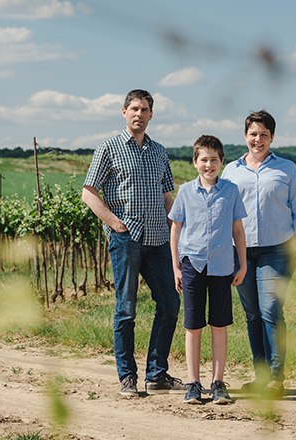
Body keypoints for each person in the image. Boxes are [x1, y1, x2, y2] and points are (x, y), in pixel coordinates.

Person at [82, 89, 185, 397]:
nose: (139, 114)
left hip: (158, 239)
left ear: (151, 115)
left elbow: (168, 196)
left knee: (170, 304)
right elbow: (89, 192)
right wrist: (115, 224)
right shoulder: (109, 148)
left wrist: (180, 228)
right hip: (126, 240)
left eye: (145, 109)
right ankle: (127, 377)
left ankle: (157, 374)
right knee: (126, 310)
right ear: (124, 112)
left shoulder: (159, 152)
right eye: (134, 108)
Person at [220, 110, 296, 399]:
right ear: (245, 136)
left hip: (276, 250)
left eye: (263, 134)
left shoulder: (287, 169)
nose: (257, 139)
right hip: (241, 252)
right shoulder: (231, 170)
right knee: (252, 315)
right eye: (253, 133)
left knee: (271, 309)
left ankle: (276, 377)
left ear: (272, 137)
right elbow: (222, 213)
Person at [168, 135, 247, 405]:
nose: (209, 165)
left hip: (222, 265)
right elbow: (176, 229)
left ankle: (218, 382)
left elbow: (238, 229)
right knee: (193, 325)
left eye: (214, 160)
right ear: (195, 162)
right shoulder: (186, 191)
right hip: (192, 265)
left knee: (219, 324)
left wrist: (243, 263)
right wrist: (176, 266)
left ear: (221, 162)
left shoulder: (231, 191)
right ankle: (192, 382)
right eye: (204, 159)